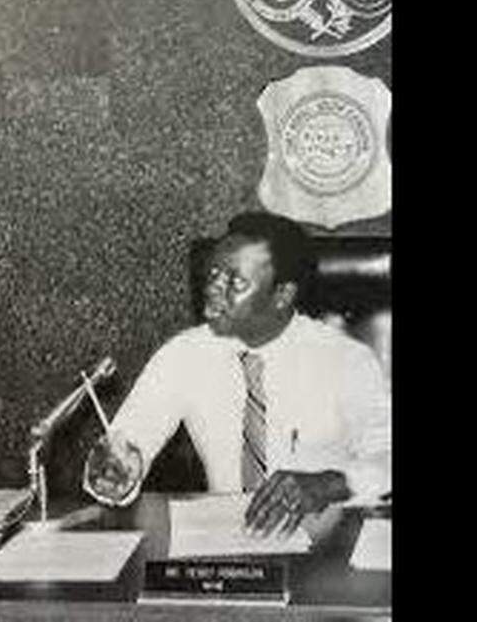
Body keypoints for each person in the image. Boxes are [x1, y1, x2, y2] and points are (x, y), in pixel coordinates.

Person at [84, 212, 391, 537]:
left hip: (321, 553)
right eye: (213, 275)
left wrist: (331, 482)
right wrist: (114, 474)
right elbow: (129, 441)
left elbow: (387, 456)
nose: (214, 290)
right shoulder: (183, 354)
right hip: (221, 546)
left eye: (235, 282)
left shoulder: (345, 359)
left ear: (282, 296)